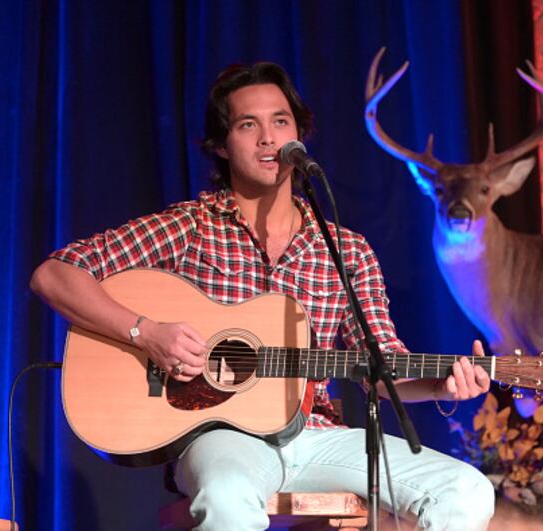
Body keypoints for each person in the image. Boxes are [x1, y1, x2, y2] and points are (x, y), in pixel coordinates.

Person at [30, 61, 494, 530]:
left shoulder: (347, 250)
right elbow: (55, 275)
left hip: (318, 435)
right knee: (227, 494)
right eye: (248, 125)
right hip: (221, 435)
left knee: (466, 490)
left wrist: (440, 385)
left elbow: (380, 366)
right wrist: (146, 333)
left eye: (281, 121)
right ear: (221, 145)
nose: (268, 138)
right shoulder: (191, 226)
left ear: (299, 135)